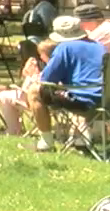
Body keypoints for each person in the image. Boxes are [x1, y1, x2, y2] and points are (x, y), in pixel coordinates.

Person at [23, 15, 104, 153]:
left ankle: (46, 143)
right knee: (74, 89)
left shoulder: (64, 48)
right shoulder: (99, 47)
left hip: (82, 102)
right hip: (104, 102)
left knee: (34, 91)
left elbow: (47, 80)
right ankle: (80, 141)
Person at [0, 38, 56, 136]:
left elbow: (29, 83)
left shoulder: (33, 62)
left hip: (33, 98)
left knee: (3, 95)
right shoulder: (55, 63)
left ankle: (13, 129)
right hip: (52, 98)